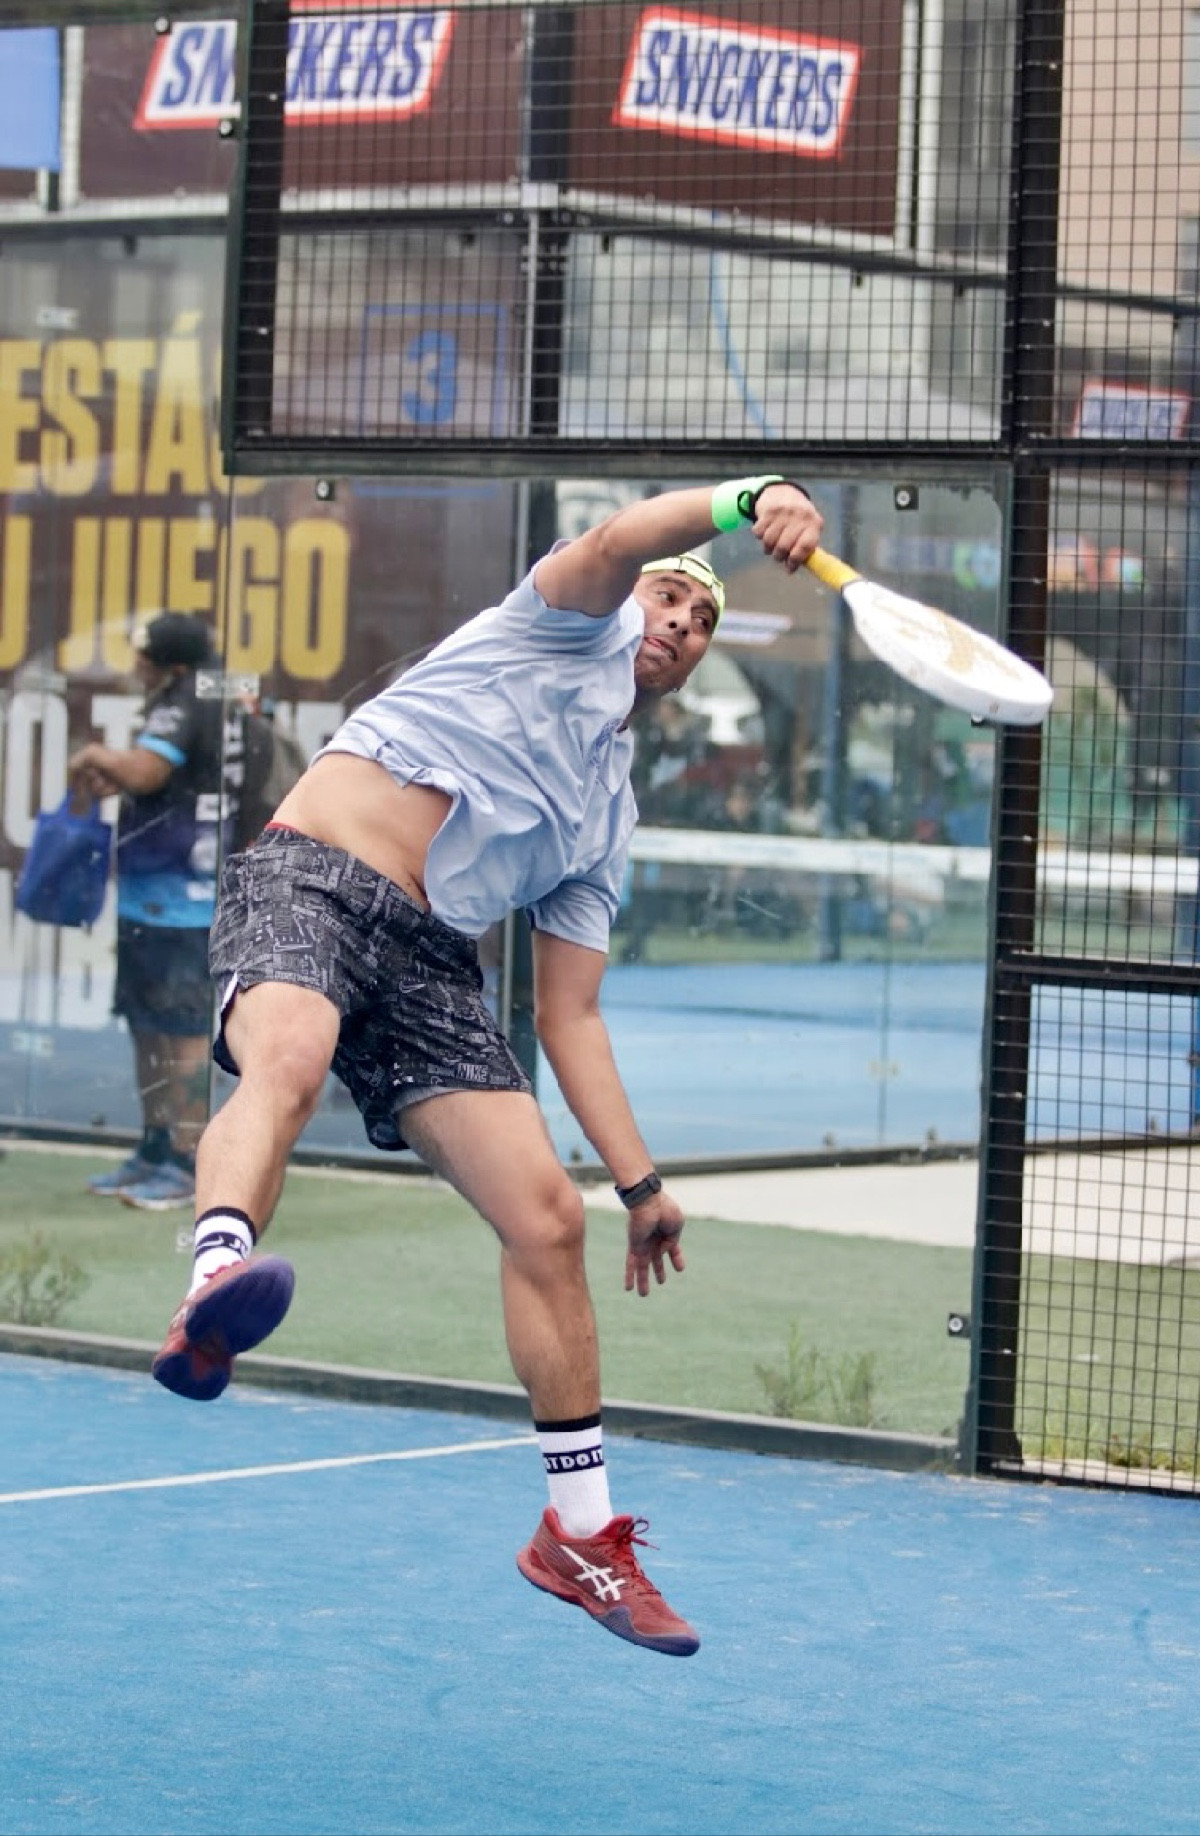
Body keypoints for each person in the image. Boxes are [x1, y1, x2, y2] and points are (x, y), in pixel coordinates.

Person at [150, 477, 823, 1657]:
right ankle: (214, 1281)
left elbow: (571, 1016)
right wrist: (749, 500)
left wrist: (641, 1184)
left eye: (702, 620)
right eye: (669, 598)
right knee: (290, 1057)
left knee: (548, 1219)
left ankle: (579, 1535)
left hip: (430, 956)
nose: (678, 621)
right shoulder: (559, 620)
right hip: (314, 872)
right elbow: (622, 537)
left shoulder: (604, 817)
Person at [69, 613, 244, 1212]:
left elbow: (148, 770)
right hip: (161, 894)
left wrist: (97, 754)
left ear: (173, 664)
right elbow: (170, 779)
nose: (136, 665)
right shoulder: (216, 696)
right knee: (149, 1025)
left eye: (144, 656)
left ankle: (190, 1163)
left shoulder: (187, 697)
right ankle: (156, 1147)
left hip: (180, 902)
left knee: (183, 1032)